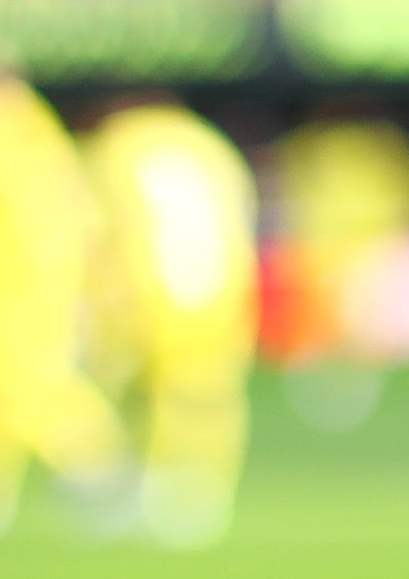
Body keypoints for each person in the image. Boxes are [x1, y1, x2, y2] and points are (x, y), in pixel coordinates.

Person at [0, 70, 128, 544]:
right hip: (25, 279)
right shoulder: (34, 133)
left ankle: (97, 468)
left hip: (19, 284)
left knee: (22, 383)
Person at [82, 99, 258, 548]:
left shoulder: (119, 146)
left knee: (139, 389)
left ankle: (147, 486)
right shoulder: (206, 144)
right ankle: (201, 488)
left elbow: (101, 224)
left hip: (149, 289)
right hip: (217, 284)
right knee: (210, 392)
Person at [266, 116, 409, 427]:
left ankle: (352, 386)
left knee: (357, 325)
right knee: (322, 323)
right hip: (325, 246)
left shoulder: (375, 145)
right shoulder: (334, 144)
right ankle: (318, 381)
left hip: (361, 246)